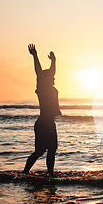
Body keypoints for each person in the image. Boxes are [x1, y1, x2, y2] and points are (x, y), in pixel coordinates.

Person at [23, 44, 62, 176]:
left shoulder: (48, 85)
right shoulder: (42, 87)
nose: (54, 77)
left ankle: (49, 174)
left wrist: (54, 61)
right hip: (44, 123)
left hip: (48, 123)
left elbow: (52, 71)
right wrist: (35, 56)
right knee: (42, 151)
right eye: (51, 76)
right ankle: (27, 172)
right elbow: (39, 71)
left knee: (49, 150)